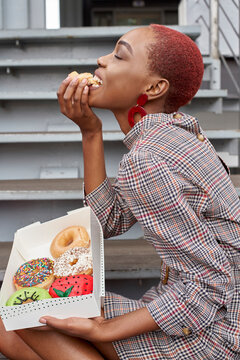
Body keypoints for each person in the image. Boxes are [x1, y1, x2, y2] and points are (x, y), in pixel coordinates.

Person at [0, 24, 240, 360]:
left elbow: (211, 285)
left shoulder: (148, 160)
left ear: (154, 87)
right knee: (11, 320)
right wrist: (90, 133)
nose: (101, 60)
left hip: (213, 334)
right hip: (207, 309)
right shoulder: (173, 135)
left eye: (118, 55)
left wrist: (102, 330)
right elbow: (108, 220)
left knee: (27, 312)